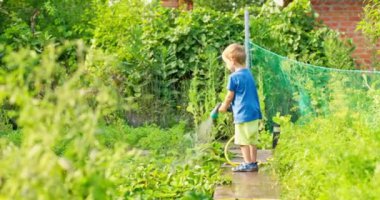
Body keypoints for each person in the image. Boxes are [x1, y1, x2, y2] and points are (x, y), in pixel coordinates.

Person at [218, 43, 262, 172]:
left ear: (232, 61)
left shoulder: (234, 77)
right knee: (252, 140)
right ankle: (253, 162)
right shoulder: (248, 73)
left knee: (243, 141)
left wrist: (223, 107)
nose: (227, 66)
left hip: (243, 114)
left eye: (226, 63)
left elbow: (229, 96)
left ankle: (247, 163)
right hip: (254, 113)